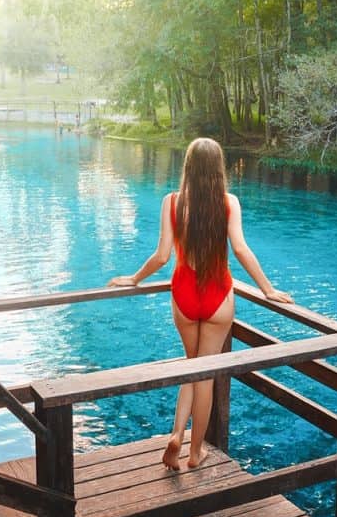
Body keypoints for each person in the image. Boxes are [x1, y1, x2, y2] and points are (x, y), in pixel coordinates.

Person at [108, 137, 293, 470]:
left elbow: (163, 256)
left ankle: (176, 434)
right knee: (204, 375)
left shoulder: (172, 202)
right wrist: (268, 289)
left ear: (188, 166)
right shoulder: (229, 202)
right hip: (217, 294)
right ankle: (195, 453)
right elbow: (240, 249)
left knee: (189, 365)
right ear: (218, 168)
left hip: (183, 294)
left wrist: (134, 279)